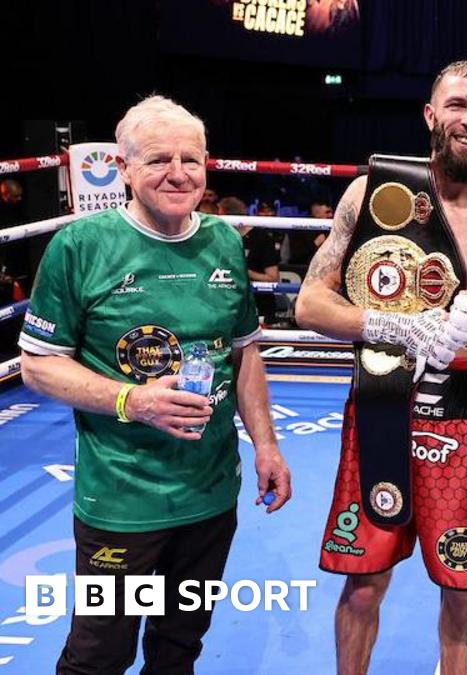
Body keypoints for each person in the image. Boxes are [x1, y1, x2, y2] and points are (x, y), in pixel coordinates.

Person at [295, 60, 467, 675]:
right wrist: (390, 325)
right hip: (382, 411)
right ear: (430, 114)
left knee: (464, 584)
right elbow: (310, 302)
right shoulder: (374, 192)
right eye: (458, 105)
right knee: (363, 581)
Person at [18, 95, 291, 674]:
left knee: (179, 647)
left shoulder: (223, 240)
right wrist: (131, 400)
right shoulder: (80, 246)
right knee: (99, 656)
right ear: (123, 168)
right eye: (158, 159)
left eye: (191, 159)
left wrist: (266, 445)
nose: (178, 173)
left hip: (211, 493)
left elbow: (244, 353)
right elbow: (39, 365)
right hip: (122, 500)